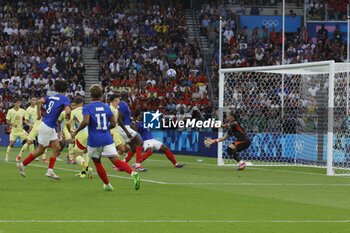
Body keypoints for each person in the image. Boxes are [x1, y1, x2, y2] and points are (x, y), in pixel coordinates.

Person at [72, 84, 140, 191]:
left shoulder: (87, 108)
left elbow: (86, 121)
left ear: (91, 95)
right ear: (101, 95)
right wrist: (105, 129)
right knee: (116, 161)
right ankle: (132, 173)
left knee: (97, 162)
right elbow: (113, 123)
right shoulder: (106, 107)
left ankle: (108, 185)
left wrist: (76, 131)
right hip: (107, 138)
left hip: (94, 140)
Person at [17, 80, 71, 179]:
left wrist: (38, 114)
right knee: (41, 150)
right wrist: (68, 114)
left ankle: (50, 171)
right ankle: (22, 165)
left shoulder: (50, 97)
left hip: (50, 126)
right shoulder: (65, 99)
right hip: (47, 126)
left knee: (57, 147)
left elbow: (40, 101)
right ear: (66, 89)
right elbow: (67, 110)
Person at [117, 91, 146, 171]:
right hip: (124, 128)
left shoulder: (121, 104)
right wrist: (126, 131)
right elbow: (119, 119)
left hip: (123, 128)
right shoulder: (123, 104)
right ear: (127, 96)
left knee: (133, 147)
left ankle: (122, 165)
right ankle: (137, 164)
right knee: (140, 142)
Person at [67, 96, 92, 178]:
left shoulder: (73, 111)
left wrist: (71, 131)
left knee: (77, 154)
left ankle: (87, 167)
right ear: (82, 103)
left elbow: (68, 123)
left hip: (81, 133)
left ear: (75, 103)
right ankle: (84, 172)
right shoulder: (87, 110)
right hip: (90, 132)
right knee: (85, 152)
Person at [17, 97, 48, 162]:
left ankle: (43, 157)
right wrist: (29, 125)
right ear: (30, 101)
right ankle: (19, 155)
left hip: (41, 127)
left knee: (45, 142)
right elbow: (25, 120)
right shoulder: (28, 110)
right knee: (29, 142)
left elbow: (44, 114)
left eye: (36, 100)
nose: (35, 101)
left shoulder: (39, 107)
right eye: (33, 100)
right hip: (34, 128)